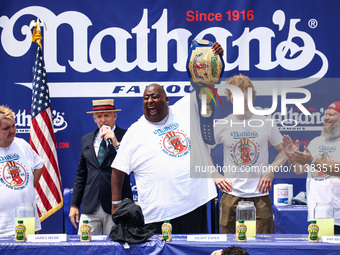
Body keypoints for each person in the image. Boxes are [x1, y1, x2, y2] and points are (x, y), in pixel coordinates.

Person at [212, 74, 288, 234]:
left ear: (251, 96)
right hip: (231, 196)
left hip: (260, 196)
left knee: (264, 248)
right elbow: (201, 150)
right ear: (230, 97)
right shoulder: (222, 124)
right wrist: (215, 174)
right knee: (231, 248)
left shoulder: (266, 123)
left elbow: (285, 151)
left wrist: (271, 169)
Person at [69, 99, 132, 235]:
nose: (103, 120)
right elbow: (81, 174)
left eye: (107, 115)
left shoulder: (127, 136)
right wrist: (74, 204)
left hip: (116, 205)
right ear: (94, 118)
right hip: (90, 206)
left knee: (115, 248)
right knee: (86, 248)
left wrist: (116, 143)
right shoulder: (86, 139)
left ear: (114, 116)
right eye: (99, 116)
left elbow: (131, 166)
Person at [282, 101, 340, 234]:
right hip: (316, 216)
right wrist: (293, 158)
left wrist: (313, 161)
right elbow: (298, 169)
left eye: (331, 114)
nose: (326, 118)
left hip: (337, 218)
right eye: (325, 114)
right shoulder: (316, 142)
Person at [0, 105, 43, 235]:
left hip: (28, 224)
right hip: (3, 228)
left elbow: (38, 165)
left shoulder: (22, 144)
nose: (12, 131)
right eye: (6, 128)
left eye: (13, 126)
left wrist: (26, 187)